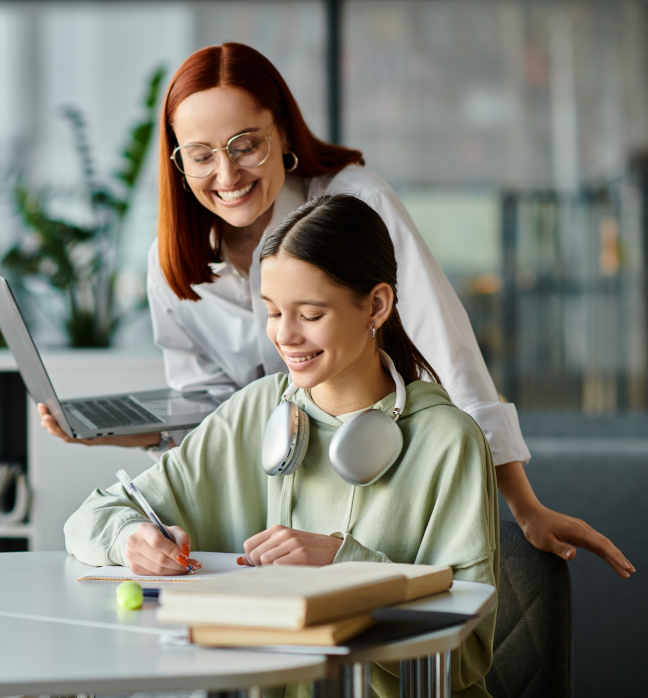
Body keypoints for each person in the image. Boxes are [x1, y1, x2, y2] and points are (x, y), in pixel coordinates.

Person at [42, 42, 633, 579]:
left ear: (284, 133)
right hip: (272, 491)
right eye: (200, 156)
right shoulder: (173, 261)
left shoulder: (353, 205)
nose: (226, 174)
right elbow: (210, 414)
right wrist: (113, 440)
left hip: (382, 463)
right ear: (178, 162)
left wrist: (523, 506)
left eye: (245, 144)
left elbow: (447, 351)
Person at [66, 195, 499, 697]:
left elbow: (463, 657)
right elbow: (90, 517)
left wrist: (343, 565)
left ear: (376, 305)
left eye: (310, 314)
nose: (285, 336)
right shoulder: (255, 412)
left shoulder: (449, 442)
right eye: (272, 312)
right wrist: (130, 537)